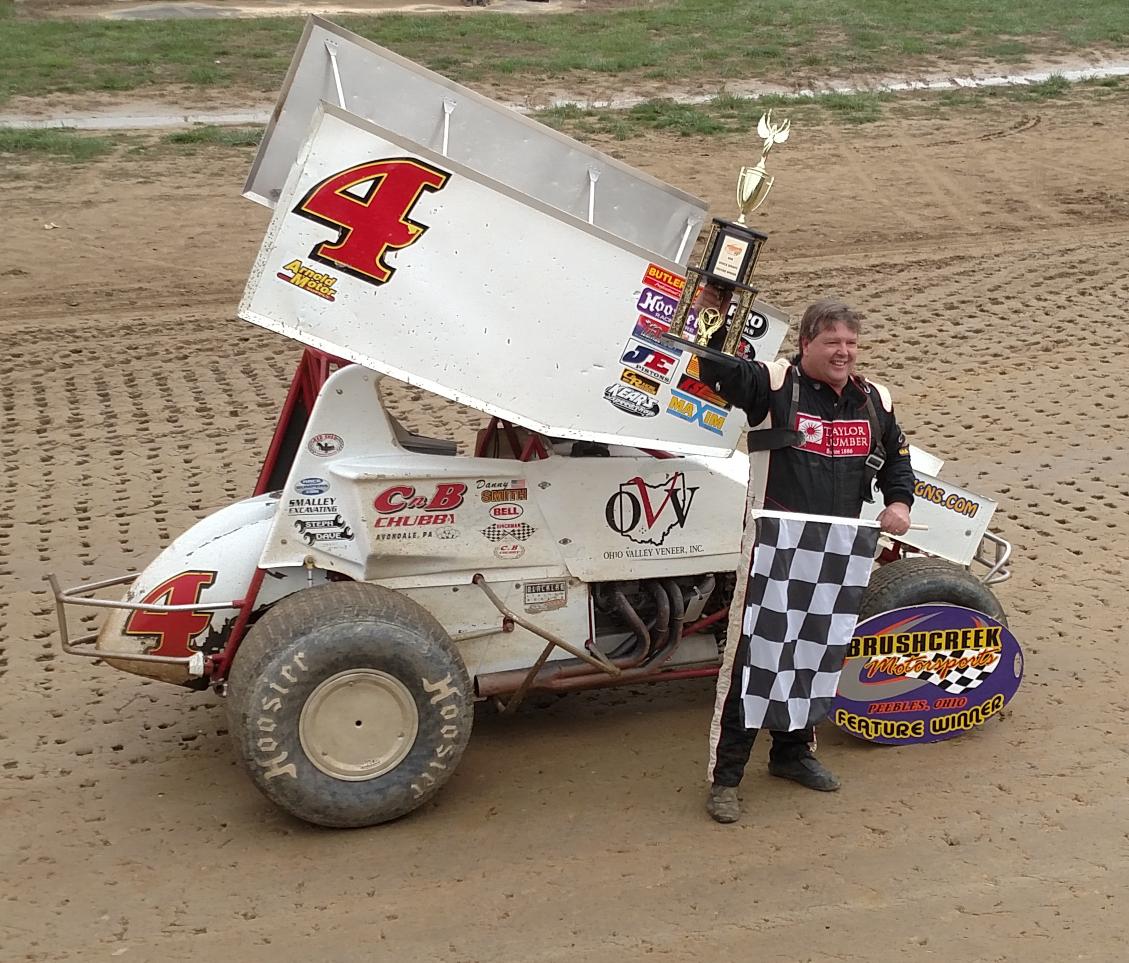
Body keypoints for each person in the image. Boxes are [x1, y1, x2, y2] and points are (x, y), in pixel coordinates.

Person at [698, 297, 915, 824]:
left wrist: (899, 503)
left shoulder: (875, 399)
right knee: (756, 660)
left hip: (840, 549)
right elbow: (708, 363)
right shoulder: (772, 385)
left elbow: (899, 462)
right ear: (806, 345)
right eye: (832, 342)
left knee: (816, 653)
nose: (843, 353)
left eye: (851, 343)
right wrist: (713, 305)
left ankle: (792, 755)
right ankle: (725, 779)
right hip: (775, 544)